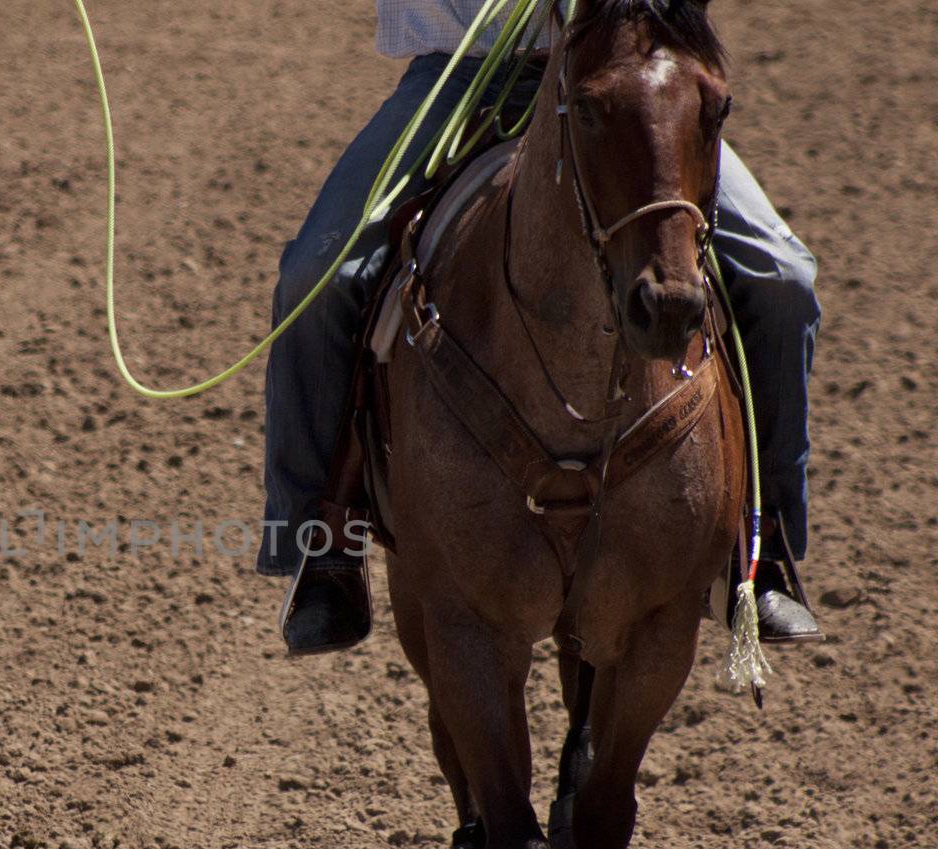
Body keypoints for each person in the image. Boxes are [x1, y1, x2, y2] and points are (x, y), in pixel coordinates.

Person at [259, 0, 822, 653]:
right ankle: (324, 539)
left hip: (626, 73)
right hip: (461, 76)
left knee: (783, 281)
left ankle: (762, 545)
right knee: (316, 278)